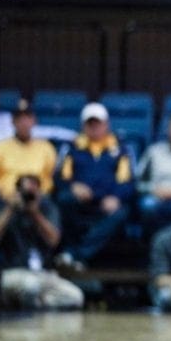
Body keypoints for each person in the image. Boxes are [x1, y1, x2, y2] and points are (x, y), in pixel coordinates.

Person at [53, 103, 134, 270]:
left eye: (98, 123)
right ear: (83, 126)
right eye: (90, 123)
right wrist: (74, 186)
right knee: (64, 199)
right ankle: (76, 256)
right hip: (81, 201)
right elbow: (60, 177)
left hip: (106, 203)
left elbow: (127, 181)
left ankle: (76, 255)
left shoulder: (120, 149)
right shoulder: (72, 148)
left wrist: (116, 197)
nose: (94, 127)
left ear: (106, 124)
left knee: (121, 212)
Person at [0, 174, 83, 309]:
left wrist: (35, 214)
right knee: (31, 287)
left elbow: (53, 241)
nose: (29, 196)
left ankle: (26, 304)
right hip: (14, 272)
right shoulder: (6, 208)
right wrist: (10, 209)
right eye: (26, 192)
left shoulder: (47, 209)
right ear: (17, 191)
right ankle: (28, 308)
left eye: (34, 191)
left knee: (76, 297)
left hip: (43, 274)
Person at [0, 100, 58, 234]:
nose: (24, 123)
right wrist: (5, 192)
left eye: (28, 118)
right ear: (13, 122)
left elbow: (51, 178)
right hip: (6, 197)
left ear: (34, 121)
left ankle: (46, 251)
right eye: (20, 119)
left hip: (36, 196)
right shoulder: (1, 147)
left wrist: (37, 191)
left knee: (49, 202)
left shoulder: (45, 148)